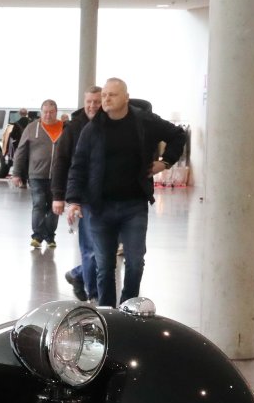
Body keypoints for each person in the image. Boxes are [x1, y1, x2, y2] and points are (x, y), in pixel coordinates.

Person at [64, 77, 186, 306]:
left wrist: (165, 162)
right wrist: (73, 201)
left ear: (126, 98)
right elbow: (78, 166)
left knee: (135, 262)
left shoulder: (144, 122)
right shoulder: (92, 129)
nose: (106, 99)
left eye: (112, 95)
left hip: (134, 206)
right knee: (104, 266)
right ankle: (108, 312)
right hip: (100, 207)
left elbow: (178, 135)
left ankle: (128, 308)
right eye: (104, 95)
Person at [52, 87, 102, 300]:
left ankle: (78, 274)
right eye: (89, 101)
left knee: (105, 250)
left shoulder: (112, 125)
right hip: (84, 197)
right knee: (91, 248)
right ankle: (95, 296)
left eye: (97, 102)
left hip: (109, 198)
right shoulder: (73, 128)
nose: (92, 106)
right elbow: (61, 161)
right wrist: (59, 196)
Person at [11, 99, 64, 248]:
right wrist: (16, 173)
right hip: (36, 175)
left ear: (56, 112)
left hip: (58, 176)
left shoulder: (64, 128)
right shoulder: (31, 128)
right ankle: (37, 236)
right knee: (39, 204)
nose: (48, 115)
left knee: (54, 207)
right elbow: (21, 151)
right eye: (45, 112)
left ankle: (50, 236)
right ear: (41, 112)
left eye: (51, 112)